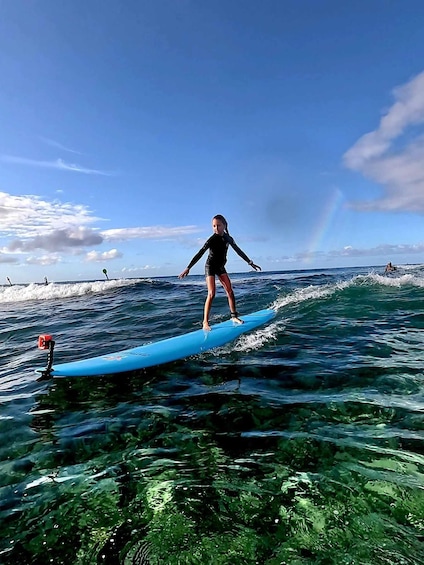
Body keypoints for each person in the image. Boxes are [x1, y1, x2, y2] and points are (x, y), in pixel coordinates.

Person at [178, 214, 261, 330]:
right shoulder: (212, 240)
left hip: (221, 267)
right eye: (213, 226)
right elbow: (200, 253)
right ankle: (205, 322)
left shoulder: (228, 239)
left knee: (230, 291)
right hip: (210, 266)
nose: (216, 228)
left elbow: (238, 251)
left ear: (224, 225)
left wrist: (250, 262)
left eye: (218, 225)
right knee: (212, 293)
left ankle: (234, 317)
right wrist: (188, 267)